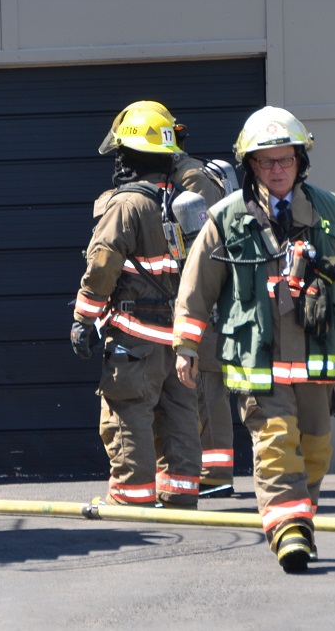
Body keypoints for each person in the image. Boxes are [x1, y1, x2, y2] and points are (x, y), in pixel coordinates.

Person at [172, 106, 335, 574]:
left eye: (284, 160)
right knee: (274, 444)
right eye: (265, 162)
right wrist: (186, 346)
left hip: (315, 363)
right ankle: (287, 532)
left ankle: (297, 521)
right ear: (250, 166)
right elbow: (195, 286)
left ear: (299, 161)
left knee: (315, 450)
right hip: (258, 362)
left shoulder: (331, 212)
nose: (276, 170)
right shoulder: (226, 219)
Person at [99, 102, 239, 498]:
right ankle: (189, 484)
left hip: (195, 304)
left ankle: (213, 476)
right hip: (186, 306)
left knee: (202, 386)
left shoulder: (187, 181)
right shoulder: (176, 180)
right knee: (188, 395)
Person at [72, 102, 203, 510]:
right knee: (179, 415)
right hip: (179, 340)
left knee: (127, 414)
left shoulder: (126, 205)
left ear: (128, 156)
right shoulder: (184, 202)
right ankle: (179, 496)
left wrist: (83, 320)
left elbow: (102, 265)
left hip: (135, 339)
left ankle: (131, 499)